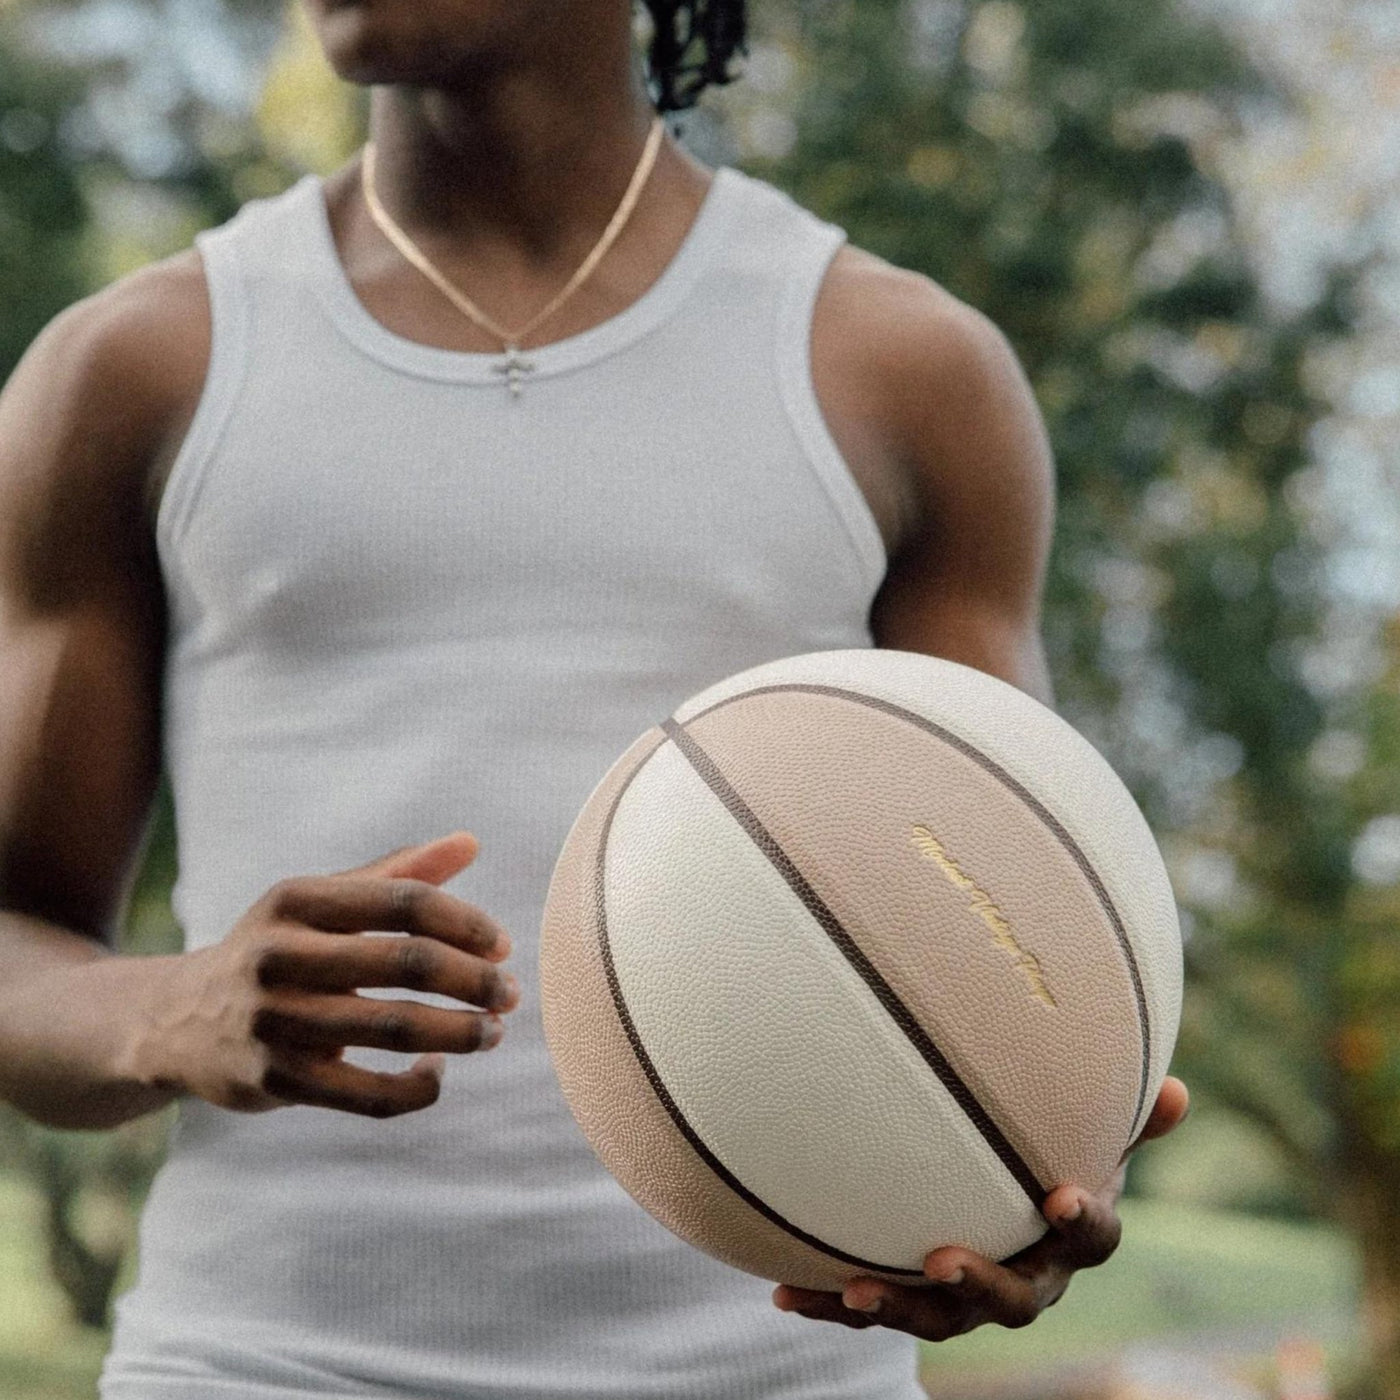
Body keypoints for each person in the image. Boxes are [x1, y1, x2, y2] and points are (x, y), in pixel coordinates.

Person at [0, 1, 1189, 1396]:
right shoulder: (133, 367)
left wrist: (1034, 1178)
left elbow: (1020, 944)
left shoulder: (908, 374)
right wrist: (172, 1006)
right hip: (255, 1363)